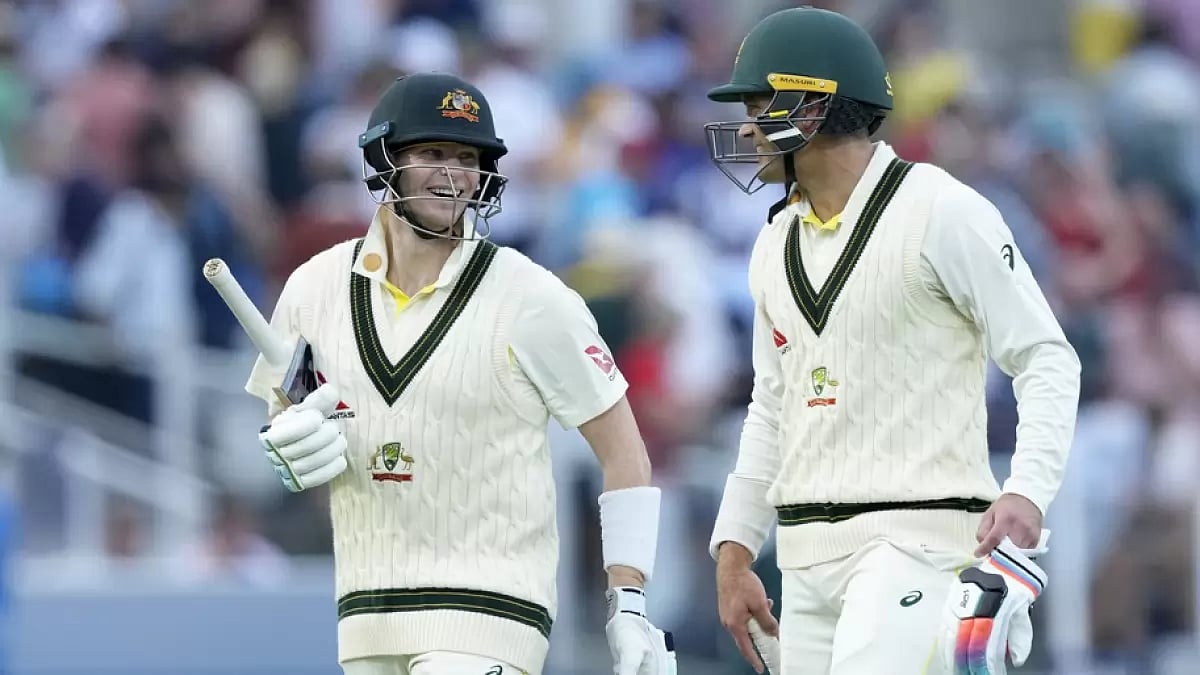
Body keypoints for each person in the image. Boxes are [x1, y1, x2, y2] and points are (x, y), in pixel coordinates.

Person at [244, 72, 675, 675]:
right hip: (368, 611)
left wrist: (627, 602)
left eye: (468, 158)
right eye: (432, 153)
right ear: (383, 160)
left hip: (492, 608)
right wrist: (289, 447)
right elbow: (285, 419)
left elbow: (625, 453)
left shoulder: (532, 297)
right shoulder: (313, 289)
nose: (453, 173)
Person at [702, 8, 1081, 674]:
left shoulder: (942, 209)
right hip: (805, 559)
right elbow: (772, 408)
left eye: (760, 106)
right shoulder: (772, 243)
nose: (746, 128)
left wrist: (1027, 489)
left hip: (919, 542)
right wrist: (734, 549)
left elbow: (1045, 355)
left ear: (810, 110)